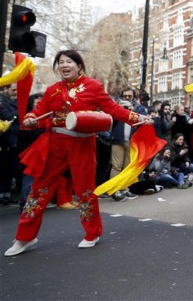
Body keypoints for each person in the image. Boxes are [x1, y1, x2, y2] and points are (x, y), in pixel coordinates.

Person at [4, 50, 151, 257]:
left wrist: (137, 117)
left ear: (79, 66)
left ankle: (92, 233)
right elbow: (40, 112)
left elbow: (113, 109)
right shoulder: (52, 90)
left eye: (69, 62)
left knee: (85, 191)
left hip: (81, 144)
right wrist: (31, 117)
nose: (64, 65)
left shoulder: (93, 86)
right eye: (61, 62)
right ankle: (25, 237)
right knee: (38, 191)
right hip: (55, 144)